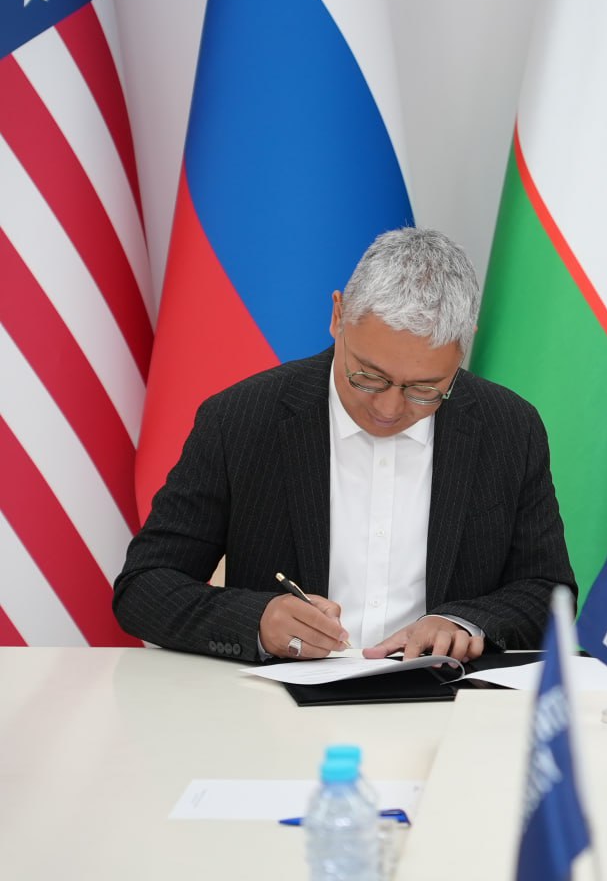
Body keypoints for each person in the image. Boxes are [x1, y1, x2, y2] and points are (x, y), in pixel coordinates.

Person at [114, 227, 575, 663]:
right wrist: (257, 621)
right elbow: (144, 586)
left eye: (424, 389)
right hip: (277, 704)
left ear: (462, 349)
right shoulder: (241, 418)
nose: (389, 408)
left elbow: (546, 591)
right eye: (369, 376)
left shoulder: (509, 427)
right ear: (338, 316)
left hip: (446, 700)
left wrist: (464, 623)